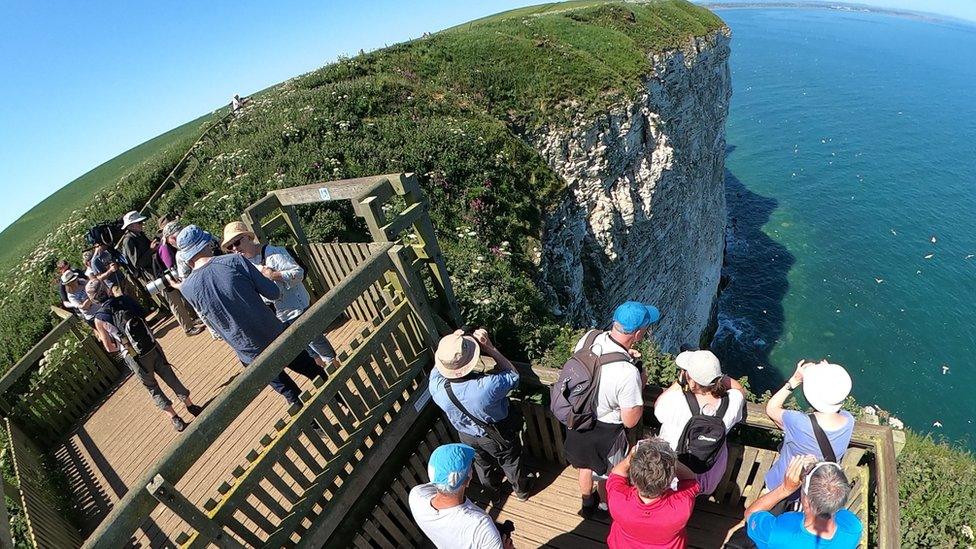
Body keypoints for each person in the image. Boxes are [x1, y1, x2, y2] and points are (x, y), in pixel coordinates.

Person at [176, 225, 327, 406]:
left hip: (247, 351)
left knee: (289, 393)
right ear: (206, 244)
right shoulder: (233, 261)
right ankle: (347, 403)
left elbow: (213, 325)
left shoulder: (186, 288)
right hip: (274, 335)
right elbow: (273, 293)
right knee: (314, 372)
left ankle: (316, 429)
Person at [564, 301, 659, 518]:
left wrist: (624, 354)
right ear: (637, 333)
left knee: (584, 466)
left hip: (578, 418)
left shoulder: (590, 338)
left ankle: (587, 503)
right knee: (607, 475)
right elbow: (630, 420)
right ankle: (605, 506)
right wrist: (640, 383)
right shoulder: (627, 373)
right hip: (606, 432)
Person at [428, 328, 529, 501]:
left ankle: (493, 495)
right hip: (496, 434)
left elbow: (441, 366)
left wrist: (453, 343)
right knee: (510, 462)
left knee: (482, 465)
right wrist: (489, 347)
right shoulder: (485, 387)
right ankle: (521, 491)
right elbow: (513, 375)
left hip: (466, 435)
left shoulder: (436, 386)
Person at [85, 279, 200, 431]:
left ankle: (176, 418)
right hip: (151, 345)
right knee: (169, 375)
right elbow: (143, 315)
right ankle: (190, 406)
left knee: (152, 387)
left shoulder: (99, 319)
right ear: (107, 289)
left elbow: (109, 347)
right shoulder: (125, 300)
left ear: (93, 299)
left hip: (133, 357)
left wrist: (122, 346)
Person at [221, 221, 337, 368]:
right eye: (230, 247)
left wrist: (274, 275)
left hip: (295, 308)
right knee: (305, 349)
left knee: (316, 341)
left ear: (248, 237)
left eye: (237, 242)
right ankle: (324, 372)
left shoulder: (273, 253)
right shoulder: (243, 264)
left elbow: (298, 273)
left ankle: (337, 369)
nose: (235, 249)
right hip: (277, 316)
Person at [654, 349, 745, 494]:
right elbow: (739, 390)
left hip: (674, 472)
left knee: (672, 500)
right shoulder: (732, 402)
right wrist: (719, 378)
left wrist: (679, 382)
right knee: (694, 495)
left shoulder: (676, 400)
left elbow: (658, 408)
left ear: (690, 378)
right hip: (708, 472)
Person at [764, 361, 854, 502]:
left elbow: (771, 408)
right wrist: (829, 375)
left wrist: (794, 381)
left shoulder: (798, 422)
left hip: (782, 483)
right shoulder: (848, 421)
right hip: (813, 490)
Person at [737, 455, 862, 548]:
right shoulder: (852, 526)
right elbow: (830, 496)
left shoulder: (778, 532)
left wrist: (785, 489)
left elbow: (750, 514)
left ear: (806, 501)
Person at [408, 443, 513, 549]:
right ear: (467, 480)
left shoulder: (416, 495)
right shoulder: (481, 526)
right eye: (470, 467)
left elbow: (444, 483)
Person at [606, 437, 700, 549]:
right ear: (670, 479)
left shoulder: (617, 500)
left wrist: (628, 459)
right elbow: (690, 481)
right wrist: (672, 460)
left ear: (633, 476)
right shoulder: (682, 507)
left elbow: (617, 474)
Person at [122, 212, 203, 336]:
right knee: (173, 299)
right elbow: (137, 263)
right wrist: (151, 250)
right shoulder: (129, 241)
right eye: (139, 223)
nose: (142, 224)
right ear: (131, 226)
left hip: (158, 268)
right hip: (152, 274)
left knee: (179, 293)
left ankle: (192, 318)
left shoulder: (138, 234)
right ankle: (187, 328)